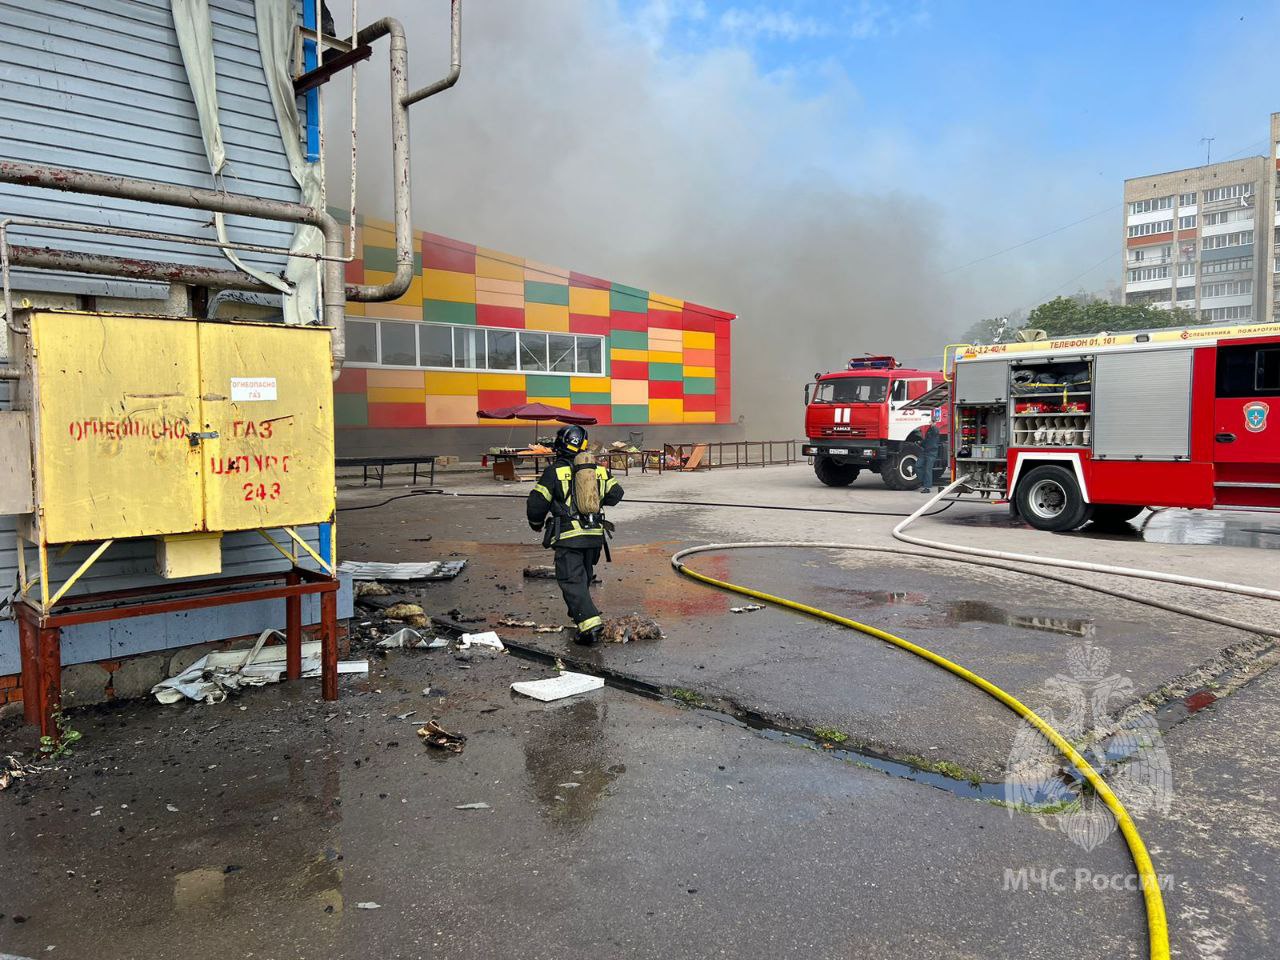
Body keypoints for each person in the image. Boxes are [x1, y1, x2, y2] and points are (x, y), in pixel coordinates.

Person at [526, 425, 624, 645]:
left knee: (572, 580)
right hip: (594, 537)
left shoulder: (555, 471)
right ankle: (582, 615)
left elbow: (537, 503)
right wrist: (595, 497)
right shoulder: (597, 470)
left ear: (561, 444)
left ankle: (590, 627)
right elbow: (617, 494)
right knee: (583, 577)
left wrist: (536, 523)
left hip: (569, 536)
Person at [919, 413, 942, 494]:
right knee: (917, 466)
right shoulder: (930, 429)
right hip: (925, 451)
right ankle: (922, 481)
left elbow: (932, 438)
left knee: (928, 470)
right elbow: (926, 440)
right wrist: (920, 443)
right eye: (932, 421)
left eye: (933, 421)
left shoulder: (935, 429)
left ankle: (927, 487)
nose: (932, 422)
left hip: (931, 452)